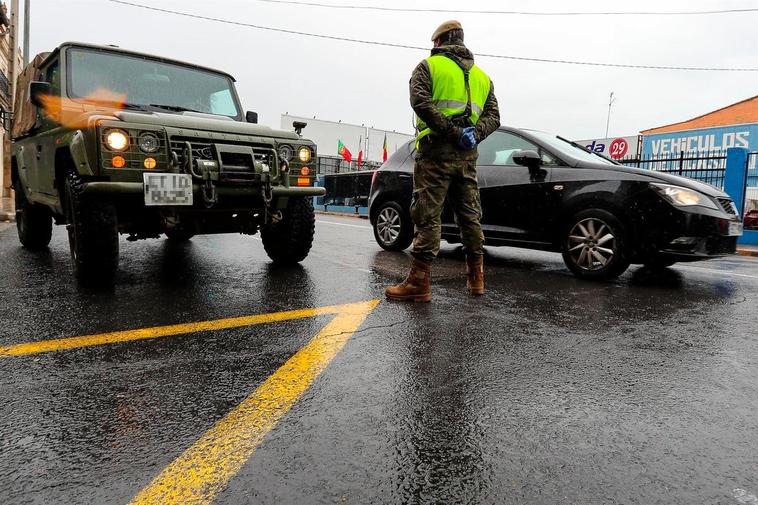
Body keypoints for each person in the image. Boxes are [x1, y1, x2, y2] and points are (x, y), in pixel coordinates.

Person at [385, 20, 501, 302]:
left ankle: (419, 283)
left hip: (436, 153)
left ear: (438, 42)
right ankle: (476, 280)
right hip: (466, 157)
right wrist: (473, 134)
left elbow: (420, 102)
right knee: (470, 216)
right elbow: (494, 117)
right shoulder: (482, 77)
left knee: (427, 215)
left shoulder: (428, 67)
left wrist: (452, 132)